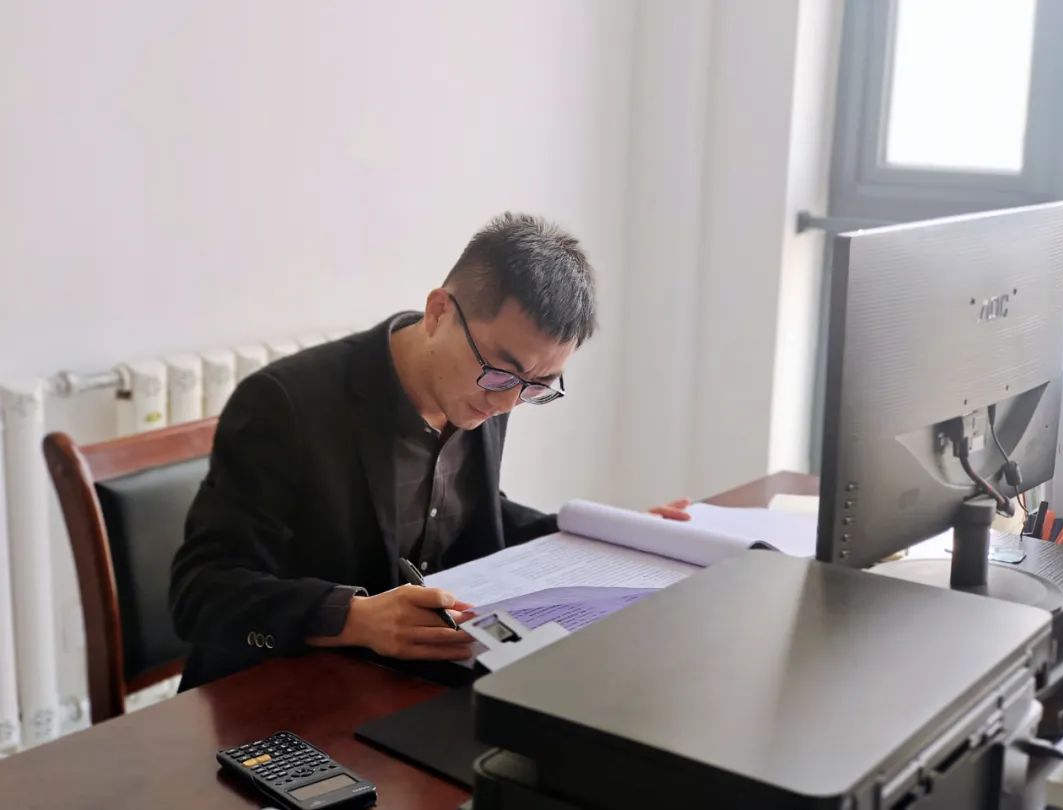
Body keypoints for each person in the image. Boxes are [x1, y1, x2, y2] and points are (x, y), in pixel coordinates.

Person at [170, 213, 687, 689]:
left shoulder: (489, 389)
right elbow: (201, 593)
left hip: (403, 684)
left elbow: (467, 515)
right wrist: (354, 617)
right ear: (439, 311)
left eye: (538, 385)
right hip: (279, 695)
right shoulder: (286, 403)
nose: (507, 402)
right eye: (501, 372)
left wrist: (607, 542)